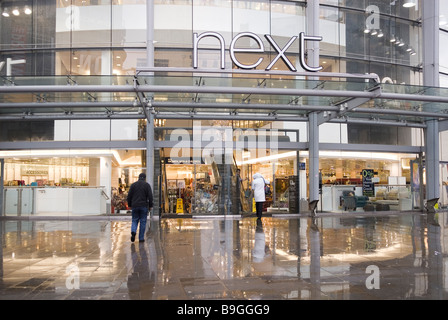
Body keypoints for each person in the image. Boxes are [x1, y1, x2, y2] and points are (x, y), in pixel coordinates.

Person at [127, 173, 153, 242]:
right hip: (143, 206)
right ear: (145, 178)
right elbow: (150, 196)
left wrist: (129, 205)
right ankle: (141, 238)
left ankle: (133, 231)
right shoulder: (147, 185)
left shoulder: (133, 185)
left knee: (134, 220)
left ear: (138, 177)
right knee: (143, 222)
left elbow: (129, 196)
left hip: (135, 206)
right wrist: (150, 206)